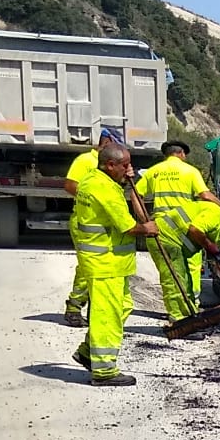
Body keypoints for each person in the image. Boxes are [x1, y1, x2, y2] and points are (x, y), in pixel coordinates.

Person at [68, 141, 157, 385]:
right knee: (107, 315)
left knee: (123, 306)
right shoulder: (105, 190)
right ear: (110, 165)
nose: (130, 170)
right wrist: (147, 228)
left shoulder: (94, 180)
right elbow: (128, 227)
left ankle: (88, 352)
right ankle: (104, 370)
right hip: (105, 262)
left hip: (108, 262)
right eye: (125, 165)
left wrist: (125, 180)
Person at [135, 136, 220, 320]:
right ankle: (190, 308)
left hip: (161, 227)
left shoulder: (154, 171)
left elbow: (136, 194)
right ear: (182, 153)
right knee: (190, 270)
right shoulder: (190, 171)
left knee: (169, 273)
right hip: (184, 228)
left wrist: (145, 220)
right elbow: (205, 195)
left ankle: (177, 310)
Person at [63, 129, 124, 324]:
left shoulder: (111, 165)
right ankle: (74, 307)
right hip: (86, 221)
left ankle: (90, 305)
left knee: (98, 265)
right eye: (115, 144)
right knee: (87, 265)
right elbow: (70, 185)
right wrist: (93, 198)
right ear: (106, 142)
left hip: (104, 223)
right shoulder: (85, 160)